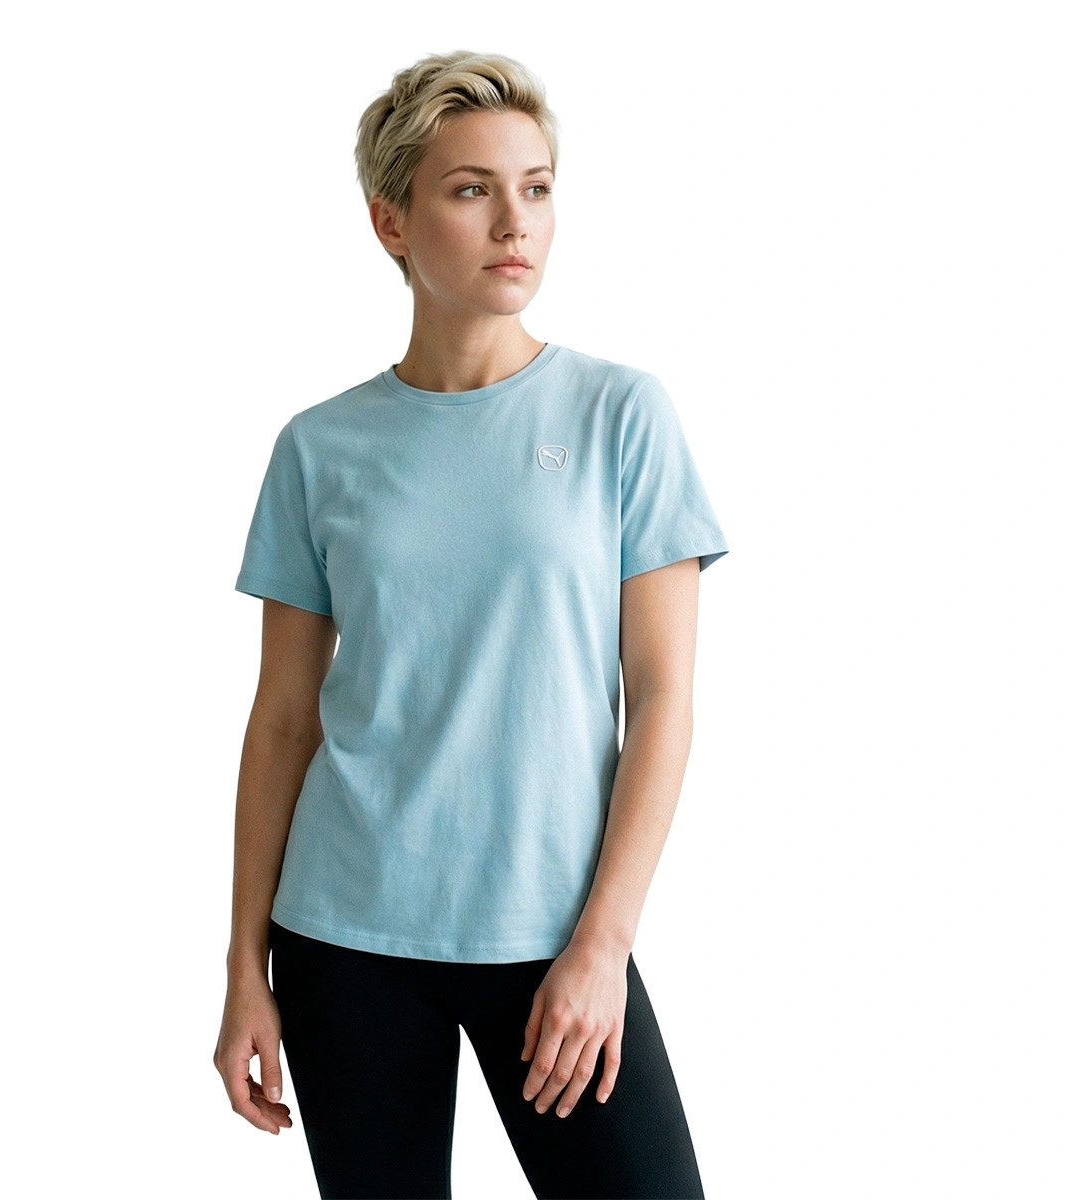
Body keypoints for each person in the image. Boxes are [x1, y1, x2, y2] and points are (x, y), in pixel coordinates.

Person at [213, 49, 729, 1200]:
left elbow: (662, 704)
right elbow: (283, 721)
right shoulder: (319, 447)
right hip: (344, 936)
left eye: (536, 188)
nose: (515, 222)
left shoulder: (622, 416)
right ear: (390, 221)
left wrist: (603, 946)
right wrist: (245, 966)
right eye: (471, 189)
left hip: (553, 932)